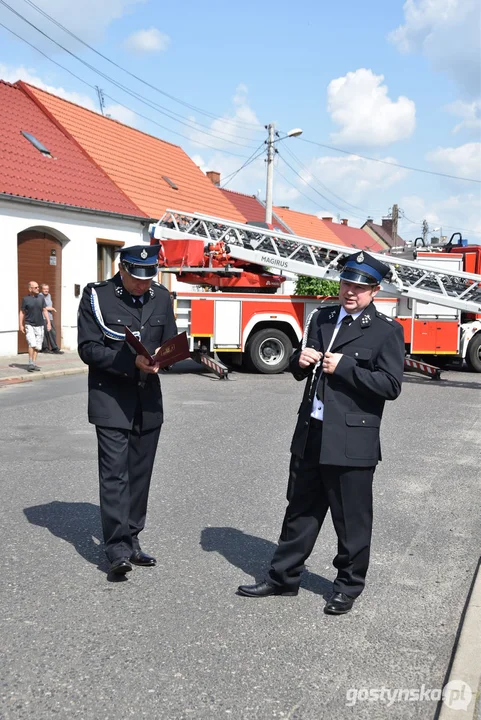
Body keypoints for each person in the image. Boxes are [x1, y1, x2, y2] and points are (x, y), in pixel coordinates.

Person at [238, 251, 405, 614]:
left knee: (352, 519)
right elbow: (305, 366)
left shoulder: (386, 331)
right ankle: (283, 577)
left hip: (351, 438)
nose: (350, 292)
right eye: (347, 283)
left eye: (360, 288)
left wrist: (345, 367)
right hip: (312, 429)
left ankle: (348, 586)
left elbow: (391, 385)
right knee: (300, 509)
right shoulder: (323, 318)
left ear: (374, 291)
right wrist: (298, 361)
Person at [77, 245, 177, 577]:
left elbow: (169, 340)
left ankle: (133, 539)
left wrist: (171, 357)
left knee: (139, 474)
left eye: (149, 279)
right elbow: (88, 349)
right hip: (111, 399)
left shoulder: (161, 297)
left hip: (148, 400)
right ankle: (116, 549)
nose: (143, 285)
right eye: (137, 278)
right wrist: (129, 362)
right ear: (122, 269)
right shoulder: (98, 296)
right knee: (114, 475)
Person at [19, 281, 51, 372]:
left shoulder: (41, 298)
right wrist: (21, 324)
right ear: (30, 289)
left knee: (38, 346)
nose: (38, 289)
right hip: (29, 324)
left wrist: (48, 322)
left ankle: (34, 363)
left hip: (40, 325)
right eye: (36, 287)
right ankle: (30, 363)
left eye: (38, 287)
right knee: (31, 343)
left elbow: (44, 310)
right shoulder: (25, 299)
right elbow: (22, 312)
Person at [40, 283, 63, 354]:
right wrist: (51, 308)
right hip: (43, 316)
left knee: (52, 332)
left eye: (47, 289)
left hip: (50, 317)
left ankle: (54, 348)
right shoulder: (40, 296)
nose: (46, 290)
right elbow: (41, 306)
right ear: (41, 289)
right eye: (44, 289)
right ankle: (45, 348)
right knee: (45, 332)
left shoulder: (49, 295)